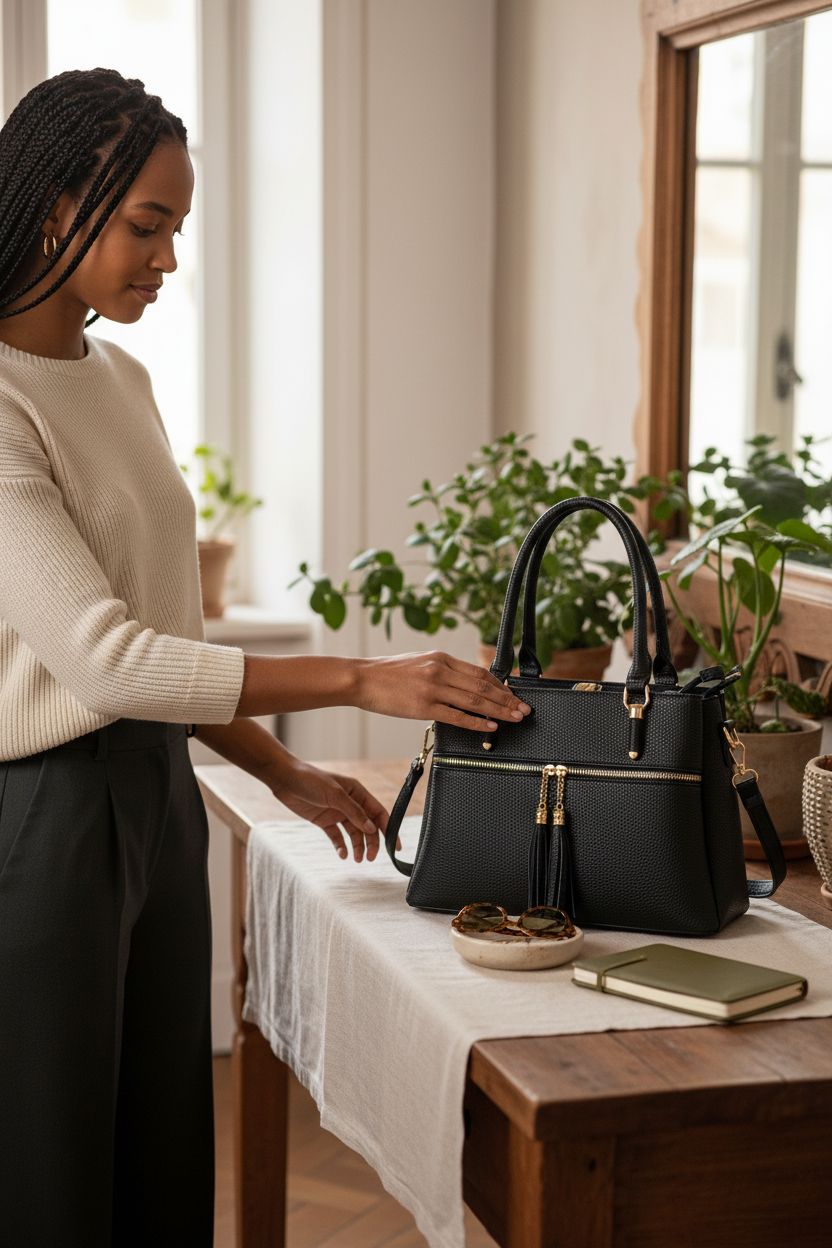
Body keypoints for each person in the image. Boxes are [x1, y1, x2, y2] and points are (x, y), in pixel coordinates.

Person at [0, 69, 531, 1246]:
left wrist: (274, 770)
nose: (167, 261)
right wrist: (359, 677)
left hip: (155, 798)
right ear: (51, 206)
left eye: (178, 229)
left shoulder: (120, 380)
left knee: (161, 1157)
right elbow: (105, 662)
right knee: (45, 1176)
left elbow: (163, 642)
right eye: (147, 225)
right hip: (38, 828)